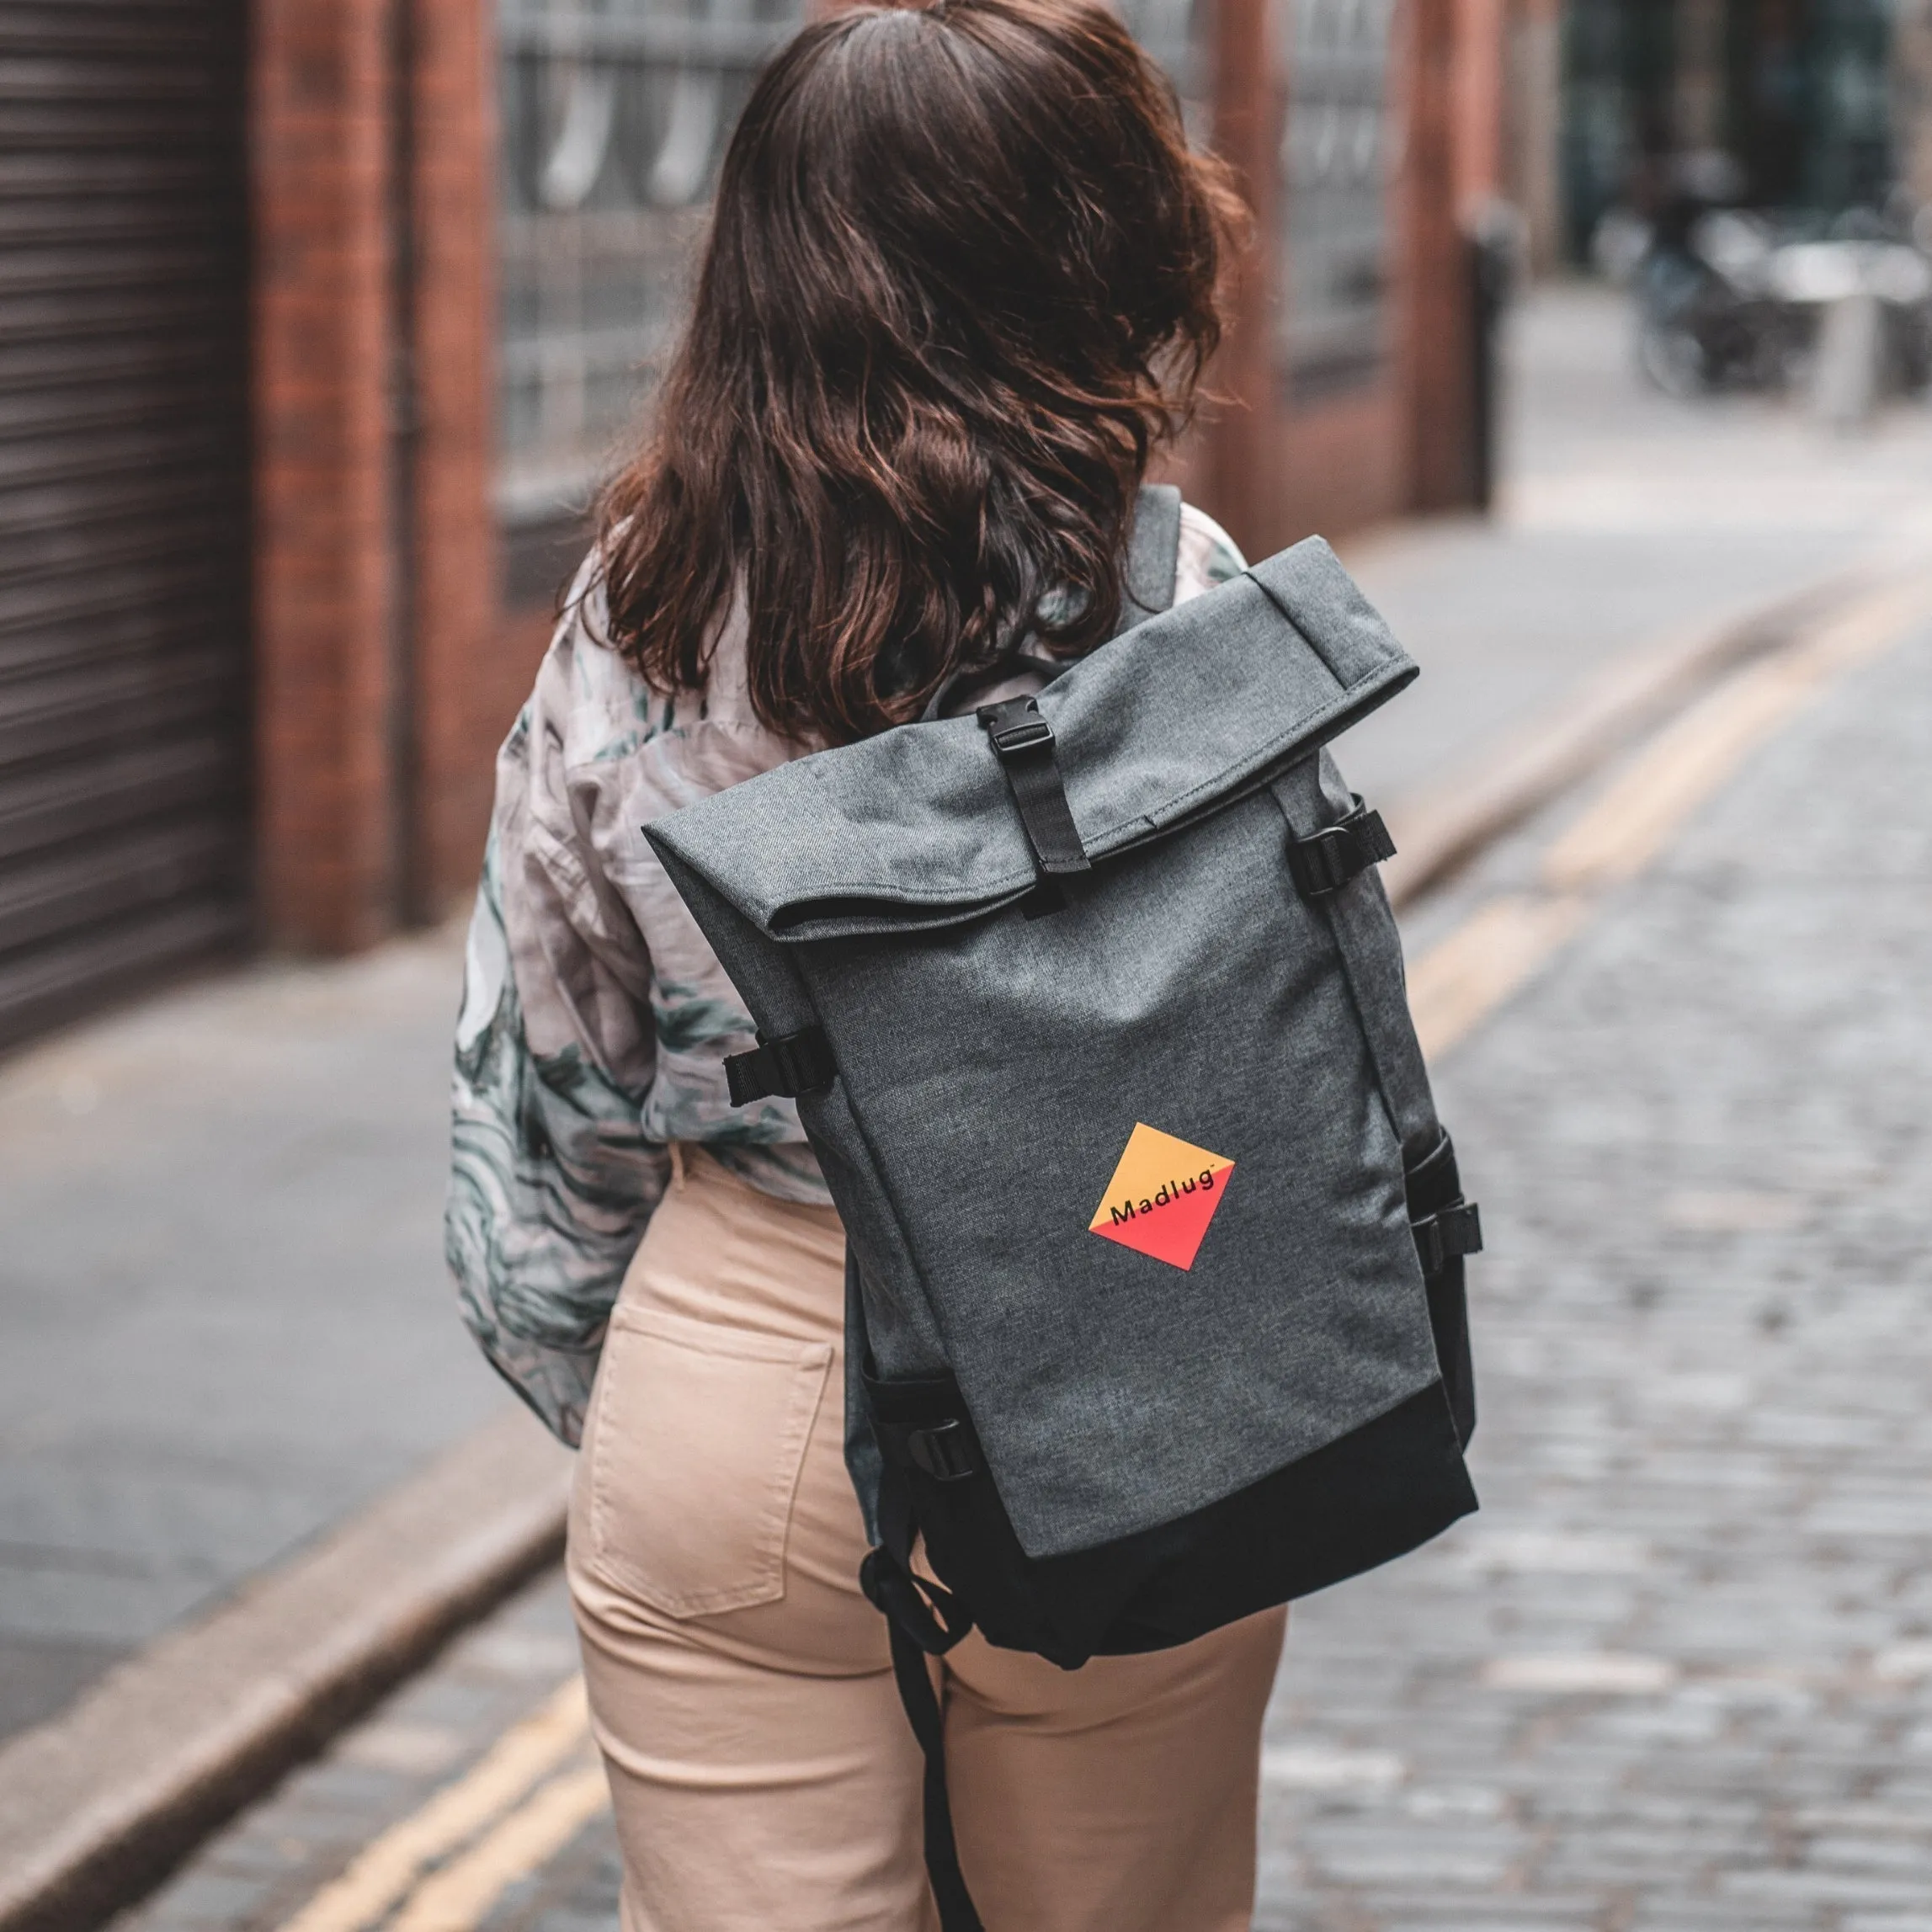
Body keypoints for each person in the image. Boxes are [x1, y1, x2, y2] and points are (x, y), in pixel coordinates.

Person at [447, 3, 1286, 1924]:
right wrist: (1154, 1278)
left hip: (740, 1362)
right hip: (1117, 1347)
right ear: (1094, 246)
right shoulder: (1186, 598)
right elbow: (1274, 1039)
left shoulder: (633, 614)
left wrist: (678, 1404)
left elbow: (546, 1102)